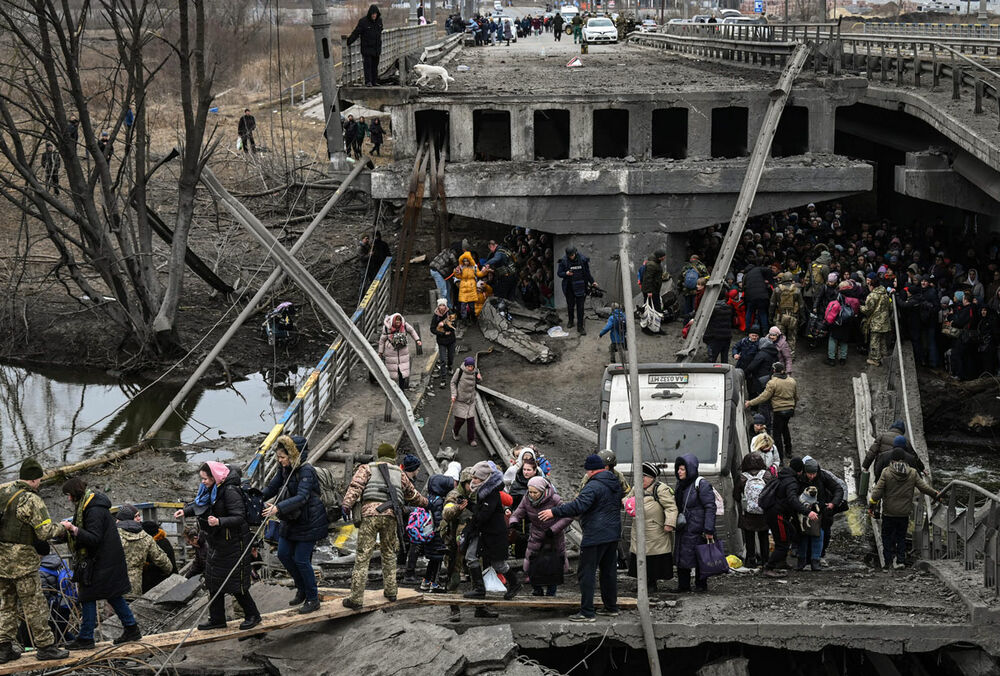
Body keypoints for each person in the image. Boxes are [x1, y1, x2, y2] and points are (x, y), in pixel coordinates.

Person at [174, 463, 260, 631]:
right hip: (216, 542)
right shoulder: (211, 489)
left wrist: (219, 521)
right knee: (213, 580)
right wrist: (186, 511)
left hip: (234, 543)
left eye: (205, 479)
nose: (203, 482)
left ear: (215, 477)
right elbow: (202, 505)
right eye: (202, 479)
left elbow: (239, 517)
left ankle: (253, 615)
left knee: (235, 583)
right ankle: (217, 618)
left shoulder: (229, 491)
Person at [341, 443, 427, 608]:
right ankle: (391, 592)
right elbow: (412, 494)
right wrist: (427, 503)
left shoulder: (366, 468)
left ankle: (356, 599)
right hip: (390, 517)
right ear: (393, 457)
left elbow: (355, 487)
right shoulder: (399, 473)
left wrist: (346, 505)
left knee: (362, 557)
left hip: (370, 516)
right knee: (388, 555)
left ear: (378, 455)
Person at [0, 459, 70, 663]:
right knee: (35, 605)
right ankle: (46, 646)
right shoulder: (32, 500)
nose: (39, 483)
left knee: (5, 605)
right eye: (39, 480)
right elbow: (45, 532)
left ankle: (3, 649)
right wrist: (63, 528)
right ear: (32, 480)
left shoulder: (3, 492)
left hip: (1, 561)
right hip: (23, 563)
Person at [61, 477, 143, 649]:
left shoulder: (93, 510)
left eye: (68, 495)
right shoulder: (88, 506)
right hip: (106, 560)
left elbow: (94, 538)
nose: (68, 499)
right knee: (113, 595)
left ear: (75, 493)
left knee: (88, 596)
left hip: (101, 562)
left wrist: (73, 529)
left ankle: (86, 637)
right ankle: (131, 628)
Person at [541, 454, 622, 622]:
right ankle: (611, 607)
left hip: (595, 535)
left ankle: (587, 612)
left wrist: (554, 511)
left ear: (590, 470)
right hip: (612, 534)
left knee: (587, 573)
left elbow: (579, 505)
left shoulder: (593, 486)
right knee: (608, 572)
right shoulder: (615, 483)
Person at [262, 435, 328, 614]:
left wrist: (277, 508)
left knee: (301, 559)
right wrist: (257, 497)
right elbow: (272, 487)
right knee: (283, 554)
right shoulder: (284, 468)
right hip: (290, 519)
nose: (280, 460)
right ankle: (302, 588)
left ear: (293, 455)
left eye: (283, 457)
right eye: (278, 457)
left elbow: (302, 497)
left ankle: (313, 598)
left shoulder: (306, 471)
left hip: (309, 521)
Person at [870, 448, 939, 569]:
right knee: (901, 537)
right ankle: (901, 561)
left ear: (892, 459)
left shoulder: (886, 472)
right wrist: (935, 494)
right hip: (904, 513)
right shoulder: (912, 473)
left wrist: (872, 503)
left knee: (886, 536)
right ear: (904, 459)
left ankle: (888, 562)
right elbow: (923, 487)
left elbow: (877, 492)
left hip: (889, 513)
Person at [463, 461, 520, 601]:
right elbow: (482, 512)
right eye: (473, 478)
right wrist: (470, 506)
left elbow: (484, 515)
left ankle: (514, 584)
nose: (473, 480)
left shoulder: (491, 493)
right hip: (486, 533)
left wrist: (471, 509)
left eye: (476, 478)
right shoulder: (483, 491)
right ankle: (479, 589)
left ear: (484, 479)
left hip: (493, 534)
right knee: (471, 557)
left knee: (497, 563)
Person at [509, 476, 571, 597]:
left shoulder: (555, 499)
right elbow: (518, 512)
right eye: (530, 492)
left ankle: (551, 593)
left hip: (553, 537)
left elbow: (568, 516)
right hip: (536, 536)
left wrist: (553, 529)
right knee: (533, 565)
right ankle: (537, 591)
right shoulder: (526, 498)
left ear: (542, 491)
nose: (532, 495)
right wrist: (514, 521)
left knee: (552, 566)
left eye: (535, 492)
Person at [760, 457, 820, 578]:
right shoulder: (791, 482)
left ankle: (780, 563)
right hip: (778, 515)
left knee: (785, 537)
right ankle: (769, 568)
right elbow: (792, 499)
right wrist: (807, 512)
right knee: (783, 543)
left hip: (772, 513)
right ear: (800, 470)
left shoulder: (781, 475)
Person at [627, 463, 678, 594]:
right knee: (639, 557)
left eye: (644, 476)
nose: (641, 479)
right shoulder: (636, 488)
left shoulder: (661, 489)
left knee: (653, 559)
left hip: (655, 531)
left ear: (652, 478)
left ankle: (651, 584)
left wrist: (670, 523)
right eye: (640, 476)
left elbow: (671, 507)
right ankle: (641, 584)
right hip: (638, 530)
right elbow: (627, 500)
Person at [672, 454, 716, 592]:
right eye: (678, 469)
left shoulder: (701, 484)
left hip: (697, 528)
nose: (679, 472)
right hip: (684, 527)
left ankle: (701, 585)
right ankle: (683, 586)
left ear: (690, 469)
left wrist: (709, 529)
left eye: (682, 469)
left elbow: (710, 507)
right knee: (682, 555)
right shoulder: (681, 485)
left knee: (700, 556)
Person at [116, 504, 172, 601]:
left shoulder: (113, 535)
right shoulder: (145, 537)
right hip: (134, 586)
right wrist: (168, 569)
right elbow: (160, 558)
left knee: (114, 613)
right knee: (131, 612)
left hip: (114, 584)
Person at [746, 361, 797, 463]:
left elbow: (764, 397)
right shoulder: (792, 381)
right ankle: (789, 450)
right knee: (785, 428)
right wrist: (793, 407)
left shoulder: (772, 382)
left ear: (774, 370)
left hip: (779, 410)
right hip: (790, 410)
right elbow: (796, 396)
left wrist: (750, 403)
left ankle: (781, 458)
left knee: (777, 433)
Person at [735, 452, 773, 568]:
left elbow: (736, 495)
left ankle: (751, 560)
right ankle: (765, 560)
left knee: (749, 537)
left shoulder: (742, 477)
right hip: (764, 512)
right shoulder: (767, 475)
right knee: (764, 537)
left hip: (748, 513)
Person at [419, 474, 455, 593]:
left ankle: (426, 581)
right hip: (437, 536)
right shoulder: (439, 501)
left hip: (428, 533)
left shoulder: (429, 498)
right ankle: (434, 584)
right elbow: (439, 520)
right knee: (438, 560)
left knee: (432, 560)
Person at [557, 246, 595, 335]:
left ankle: (580, 327)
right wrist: (566, 273)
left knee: (580, 308)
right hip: (569, 287)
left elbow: (587, 273)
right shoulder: (564, 261)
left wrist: (592, 282)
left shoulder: (582, 260)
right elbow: (559, 273)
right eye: (570, 255)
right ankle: (570, 321)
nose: (572, 257)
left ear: (575, 253)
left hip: (581, 286)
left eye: (573, 255)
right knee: (570, 306)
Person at [378, 312, 422, 388]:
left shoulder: (404, 326)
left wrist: (417, 339)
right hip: (391, 353)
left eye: (399, 320)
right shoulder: (387, 328)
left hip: (403, 352)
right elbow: (382, 341)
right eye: (396, 321)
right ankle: (392, 390)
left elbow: (412, 331)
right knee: (392, 374)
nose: (398, 322)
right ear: (393, 321)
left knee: (402, 373)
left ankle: (401, 390)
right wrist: (380, 352)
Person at [348, 5, 384, 87]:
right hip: (367, 48)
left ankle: (374, 81)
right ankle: (368, 81)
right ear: (370, 14)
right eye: (372, 14)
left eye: (375, 14)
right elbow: (356, 32)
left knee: (375, 66)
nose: (374, 15)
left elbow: (381, 30)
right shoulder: (363, 22)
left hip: (376, 48)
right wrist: (349, 41)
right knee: (367, 65)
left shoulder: (379, 21)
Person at [450, 356, 482, 446]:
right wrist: (454, 394)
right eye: (469, 366)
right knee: (460, 419)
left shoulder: (476, 371)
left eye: (472, 366)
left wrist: (479, 378)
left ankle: (471, 439)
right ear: (466, 365)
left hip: (470, 400)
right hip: (460, 400)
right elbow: (453, 382)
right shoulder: (459, 371)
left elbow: (478, 382)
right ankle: (455, 431)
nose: (470, 368)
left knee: (471, 420)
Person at [862, 276, 893, 366]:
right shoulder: (885, 294)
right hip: (885, 322)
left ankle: (876, 360)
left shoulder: (872, 296)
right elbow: (890, 308)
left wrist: (860, 308)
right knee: (883, 340)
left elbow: (867, 310)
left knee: (874, 341)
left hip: (876, 323)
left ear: (872, 286)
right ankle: (884, 356)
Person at [141, 520, 177, 592]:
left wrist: (146, 565)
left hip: (161, 581)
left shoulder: (158, 544)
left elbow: (162, 563)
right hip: (163, 579)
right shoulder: (163, 541)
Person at [453, 252, 487, 321]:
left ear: (470, 260)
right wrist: (456, 272)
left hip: (471, 289)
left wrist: (484, 271)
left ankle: (473, 318)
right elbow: (458, 276)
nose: (465, 262)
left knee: (472, 306)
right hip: (463, 289)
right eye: (464, 261)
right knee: (463, 306)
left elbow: (479, 274)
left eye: (467, 261)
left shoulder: (474, 267)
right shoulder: (461, 267)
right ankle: (464, 319)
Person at [431, 299, 456, 381]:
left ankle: (450, 366)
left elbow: (454, 326)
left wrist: (444, 325)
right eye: (440, 305)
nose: (442, 307)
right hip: (441, 341)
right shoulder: (435, 316)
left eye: (443, 305)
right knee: (443, 360)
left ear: (446, 306)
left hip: (451, 340)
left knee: (451, 356)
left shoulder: (450, 313)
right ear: (438, 307)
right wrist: (442, 333)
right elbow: (432, 329)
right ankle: (443, 378)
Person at [641, 250, 667, 327]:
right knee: (654, 309)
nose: (664, 258)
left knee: (652, 309)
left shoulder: (655, 263)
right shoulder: (652, 265)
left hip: (653, 290)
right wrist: (649, 291)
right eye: (663, 256)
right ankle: (654, 327)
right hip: (651, 291)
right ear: (659, 257)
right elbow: (648, 279)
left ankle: (651, 326)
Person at [704, 297, 734, 363]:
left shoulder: (712, 309)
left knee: (712, 359)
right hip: (727, 336)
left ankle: (711, 372)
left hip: (716, 337)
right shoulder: (729, 308)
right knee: (724, 358)